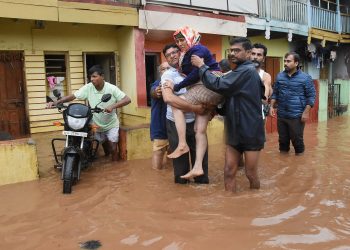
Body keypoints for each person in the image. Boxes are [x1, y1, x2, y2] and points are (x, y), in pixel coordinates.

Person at [191, 37, 265, 192]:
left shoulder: (247, 71)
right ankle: (230, 204)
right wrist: (215, 108)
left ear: (248, 52)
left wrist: (202, 66)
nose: (232, 53)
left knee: (251, 174)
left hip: (250, 131)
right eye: (231, 50)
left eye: (237, 50)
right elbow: (228, 101)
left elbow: (218, 84)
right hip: (234, 130)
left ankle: (255, 201)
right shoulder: (237, 72)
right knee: (228, 171)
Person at [164, 26, 223, 180]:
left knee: (176, 105)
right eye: (178, 41)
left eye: (183, 39)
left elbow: (197, 72)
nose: (180, 44)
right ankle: (197, 168)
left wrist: (176, 86)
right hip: (206, 92)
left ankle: (182, 144)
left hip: (205, 87)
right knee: (200, 130)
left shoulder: (197, 50)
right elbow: (165, 96)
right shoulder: (169, 73)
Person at [47, 65, 131, 161]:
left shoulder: (112, 88)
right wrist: (57, 102)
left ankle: (115, 169)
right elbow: (73, 96)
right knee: (93, 150)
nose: (92, 79)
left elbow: (127, 99)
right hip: (95, 124)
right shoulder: (88, 87)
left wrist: (112, 106)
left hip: (111, 124)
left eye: (94, 76)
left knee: (113, 149)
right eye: (90, 77)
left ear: (102, 76)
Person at [161, 43, 209, 184]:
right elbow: (168, 98)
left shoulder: (195, 69)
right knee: (180, 165)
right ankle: (182, 194)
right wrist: (195, 108)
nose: (172, 56)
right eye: (168, 55)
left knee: (201, 159)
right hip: (175, 123)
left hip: (196, 122)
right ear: (167, 59)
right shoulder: (168, 75)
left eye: (175, 52)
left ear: (181, 53)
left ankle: (201, 187)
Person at [270, 52, 316, 155]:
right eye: (285, 61)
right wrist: (272, 106)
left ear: (296, 63)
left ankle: (299, 165)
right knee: (282, 142)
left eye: (288, 61)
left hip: (297, 116)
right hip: (282, 115)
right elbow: (275, 92)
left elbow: (311, 96)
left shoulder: (305, 78)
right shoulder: (280, 76)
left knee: (297, 142)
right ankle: (283, 165)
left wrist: (306, 112)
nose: (285, 63)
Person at [150, 62, 170, 170]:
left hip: (174, 128)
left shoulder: (177, 83)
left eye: (168, 68)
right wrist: (157, 91)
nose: (166, 71)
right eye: (163, 69)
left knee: (173, 155)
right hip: (159, 127)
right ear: (160, 72)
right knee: (158, 154)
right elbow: (154, 91)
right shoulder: (156, 84)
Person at [251, 43, 273, 118]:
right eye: (253, 54)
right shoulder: (240, 73)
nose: (255, 57)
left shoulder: (265, 76)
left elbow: (264, 99)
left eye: (259, 55)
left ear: (263, 59)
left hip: (258, 117)